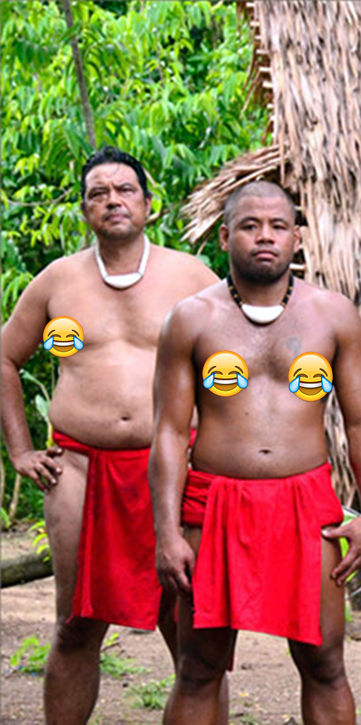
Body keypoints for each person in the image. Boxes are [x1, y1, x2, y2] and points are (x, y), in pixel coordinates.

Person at [149, 180, 361, 724]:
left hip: (306, 502)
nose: (265, 237)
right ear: (226, 234)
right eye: (251, 226)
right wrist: (166, 529)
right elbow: (167, 430)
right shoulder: (191, 318)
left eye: (278, 226)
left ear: (297, 239)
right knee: (199, 666)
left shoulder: (333, 315)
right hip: (214, 504)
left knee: (325, 662)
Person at [0, 146, 219, 724]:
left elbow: (238, 363)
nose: (113, 200)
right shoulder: (58, 282)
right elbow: (4, 358)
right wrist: (21, 449)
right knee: (76, 623)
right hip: (77, 466)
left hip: (176, 463)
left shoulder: (192, 277)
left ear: (149, 203)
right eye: (99, 193)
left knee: (193, 628)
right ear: (84, 210)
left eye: (125, 190)